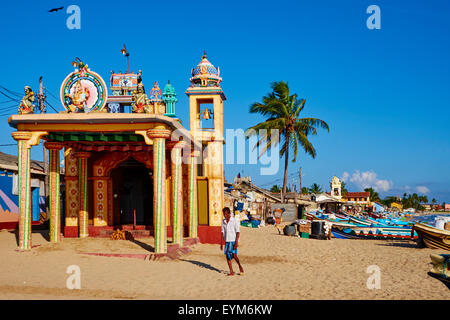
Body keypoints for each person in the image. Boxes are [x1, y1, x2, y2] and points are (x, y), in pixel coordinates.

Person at [220, 207, 244, 276]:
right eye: (224, 214)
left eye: (226, 214)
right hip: (227, 241)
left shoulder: (234, 221)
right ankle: (231, 271)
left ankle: (239, 265)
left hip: (233, 240)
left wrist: (236, 242)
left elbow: (238, 232)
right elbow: (222, 232)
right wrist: (221, 243)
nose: (225, 216)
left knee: (234, 255)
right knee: (227, 256)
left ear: (229, 213)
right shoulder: (223, 222)